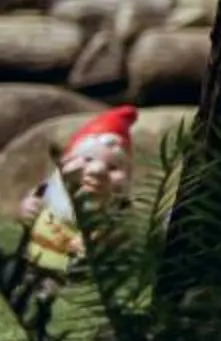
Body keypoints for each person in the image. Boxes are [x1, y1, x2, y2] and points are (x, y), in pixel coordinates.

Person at [11, 107, 137, 291]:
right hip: (33, 259)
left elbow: (123, 239)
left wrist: (99, 243)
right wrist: (26, 208)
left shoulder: (118, 209)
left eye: (112, 167)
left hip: (80, 276)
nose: (97, 171)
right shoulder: (49, 189)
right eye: (87, 160)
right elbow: (26, 208)